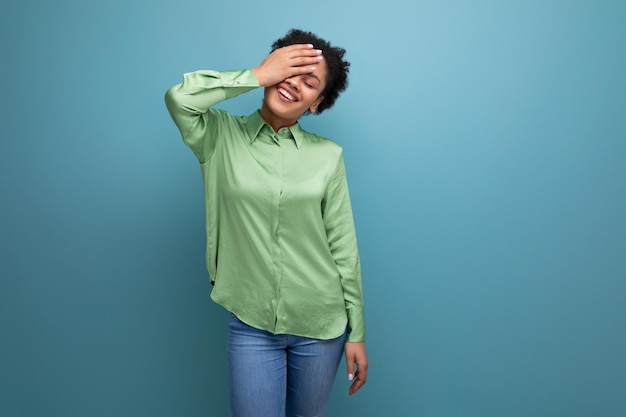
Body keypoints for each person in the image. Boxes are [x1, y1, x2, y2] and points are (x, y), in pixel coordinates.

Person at [165, 28, 368, 417]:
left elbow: (343, 246)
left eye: (309, 83)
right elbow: (180, 98)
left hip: (321, 325)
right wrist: (257, 74)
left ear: (317, 103)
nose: (294, 85)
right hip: (251, 323)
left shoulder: (328, 156)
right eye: (289, 70)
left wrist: (356, 332)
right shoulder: (218, 135)